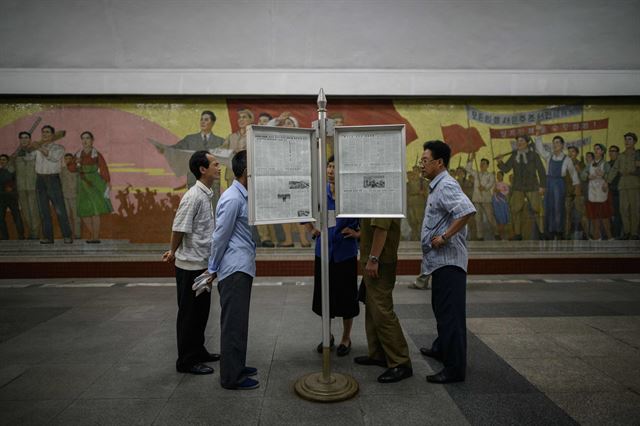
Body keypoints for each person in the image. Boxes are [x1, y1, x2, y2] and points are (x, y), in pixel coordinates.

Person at [419, 140, 476, 384]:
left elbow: (466, 211)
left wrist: (445, 236)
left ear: (439, 162)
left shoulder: (447, 185)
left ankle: (454, 369)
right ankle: (442, 348)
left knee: (451, 315)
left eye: (424, 161)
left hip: (450, 262)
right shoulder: (437, 186)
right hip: (440, 261)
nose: (421, 165)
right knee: (442, 310)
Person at [162, 150, 221, 375]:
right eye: (215, 164)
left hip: (203, 265)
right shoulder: (193, 196)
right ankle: (186, 361)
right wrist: (172, 251)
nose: (219, 166)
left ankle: (199, 351)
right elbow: (179, 227)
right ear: (202, 169)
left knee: (201, 313)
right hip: (190, 267)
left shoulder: (206, 194)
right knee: (189, 314)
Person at [208, 150, 259, 390]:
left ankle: (237, 365)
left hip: (242, 267)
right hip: (234, 271)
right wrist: (212, 268)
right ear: (246, 170)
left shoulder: (243, 196)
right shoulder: (232, 199)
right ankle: (231, 377)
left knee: (239, 323)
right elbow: (219, 237)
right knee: (233, 325)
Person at [305, 156, 360, 357]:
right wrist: (312, 230)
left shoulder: (352, 193)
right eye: (328, 166)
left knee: (347, 298)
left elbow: (369, 220)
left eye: (335, 167)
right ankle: (327, 336)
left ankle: (346, 338)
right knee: (324, 298)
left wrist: (358, 234)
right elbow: (304, 213)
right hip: (324, 253)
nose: (330, 170)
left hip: (345, 254)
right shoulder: (321, 192)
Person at [353, 213, 412, 383]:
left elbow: (381, 228)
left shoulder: (382, 194)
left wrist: (373, 259)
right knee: (372, 308)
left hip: (380, 260)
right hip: (373, 258)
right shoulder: (376, 193)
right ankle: (378, 354)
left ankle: (401, 362)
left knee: (382, 310)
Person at [156, 111, 225, 206]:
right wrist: (165, 149)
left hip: (212, 181)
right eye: (201, 119)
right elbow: (176, 149)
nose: (203, 122)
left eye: (206, 119)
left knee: (213, 207)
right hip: (194, 179)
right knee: (194, 206)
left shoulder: (220, 141)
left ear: (212, 122)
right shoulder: (190, 139)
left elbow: (228, 156)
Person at [496, 135, 546, 240]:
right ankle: (518, 235)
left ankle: (542, 233)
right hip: (518, 187)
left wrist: (542, 186)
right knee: (515, 211)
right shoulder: (514, 155)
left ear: (527, 143)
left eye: (522, 141)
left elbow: (541, 170)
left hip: (532, 186)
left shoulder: (534, 155)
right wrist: (500, 161)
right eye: (518, 141)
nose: (519, 143)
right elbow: (506, 169)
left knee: (538, 210)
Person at [534, 134, 580, 239]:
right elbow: (540, 149)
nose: (555, 145)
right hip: (549, 183)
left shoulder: (567, 159)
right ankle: (549, 231)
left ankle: (559, 231)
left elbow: (573, 174)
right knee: (548, 207)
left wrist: (577, 186)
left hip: (559, 185)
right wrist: (538, 136)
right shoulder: (549, 156)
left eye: (558, 142)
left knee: (558, 208)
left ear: (562, 145)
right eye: (554, 143)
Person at [34, 125, 73, 244]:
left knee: (60, 209)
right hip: (40, 179)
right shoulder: (36, 148)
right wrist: (27, 147)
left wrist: (39, 148)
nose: (44, 134)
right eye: (43, 132)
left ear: (53, 134)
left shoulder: (59, 148)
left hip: (53, 180)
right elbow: (27, 157)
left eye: (47, 132)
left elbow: (53, 158)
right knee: (44, 210)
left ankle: (67, 236)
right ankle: (48, 237)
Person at [72, 132, 113, 243]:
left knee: (95, 211)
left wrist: (107, 181)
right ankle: (94, 234)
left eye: (87, 138)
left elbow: (103, 168)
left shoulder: (97, 154)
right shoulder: (78, 154)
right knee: (83, 211)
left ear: (92, 140)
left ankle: (95, 237)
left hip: (95, 182)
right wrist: (75, 163)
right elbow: (71, 168)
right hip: (82, 183)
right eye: (83, 138)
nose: (85, 141)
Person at [609, 132, 640, 239]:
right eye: (626, 139)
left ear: (635, 141)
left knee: (634, 210)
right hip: (622, 185)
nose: (627, 141)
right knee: (623, 209)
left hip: (634, 183)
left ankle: (634, 233)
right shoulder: (621, 156)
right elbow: (614, 169)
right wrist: (607, 182)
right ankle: (627, 232)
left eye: (630, 139)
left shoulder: (637, 154)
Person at [11, 131, 40, 239]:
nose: (24, 140)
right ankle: (32, 231)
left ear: (30, 139)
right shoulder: (16, 154)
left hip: (33, 186)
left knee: (34, 211)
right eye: (22, 138)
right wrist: (12, 158)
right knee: (25, 212)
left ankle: (35, 234)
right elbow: (10, 169)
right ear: (19, 140)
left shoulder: (36, 152)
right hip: (21, 187)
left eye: (26, 137)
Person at [465, 153, 497, 240]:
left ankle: (496, 233)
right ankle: (480, 236)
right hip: (477, 199)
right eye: (481, 163)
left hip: (486, 199)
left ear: (487, 165)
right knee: (478, 218)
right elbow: (468, 169)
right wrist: (471, 159)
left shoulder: (490, 175)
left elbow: (491, 183)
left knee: (490, 217)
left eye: (484, 164)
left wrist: (485, 187)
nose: (481, 165)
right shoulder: (476, 174)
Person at [0, 154, 25, 239]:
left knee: (17, 216)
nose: (2, 161)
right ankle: (5, 237)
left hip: (11, 197)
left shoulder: (13, 171)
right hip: (1, 198)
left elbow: (16, 183)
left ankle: (21, 236)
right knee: (0, 218)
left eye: (4, 160)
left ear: (7, 161)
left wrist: (12, 189)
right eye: (1, 160)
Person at [60, 153, 81, 239]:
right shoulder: (62, 170)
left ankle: (78, 234)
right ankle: (69, 234)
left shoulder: (76, 169)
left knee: (76, 216)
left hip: (75, 196)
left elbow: (79, 182)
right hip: (65, 195)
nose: (68, 160)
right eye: (66, 159)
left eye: (69, 158)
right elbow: (60, 182)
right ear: (64, 160)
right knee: (67, 216)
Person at [607, 145, 622, 238]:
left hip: (618, 191)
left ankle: (617, 234)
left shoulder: (620, 164)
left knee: (617, 214)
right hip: (608, 192)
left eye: (613, 151)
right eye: (610, 151)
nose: (611, 152)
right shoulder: (607, 164)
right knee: (608, 214)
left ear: (618, 153)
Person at [492, 170, 510, 240]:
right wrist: (494, 191)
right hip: (496, 203)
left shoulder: (505, 184)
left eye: (500, 175)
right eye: (497, 175)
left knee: (503, 218)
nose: (498, 176)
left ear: (502, 176)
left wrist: (500, 191)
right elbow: (492, 193)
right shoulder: (495, 184)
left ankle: (503, 235)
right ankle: (499, 234)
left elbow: (506, 192)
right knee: (497, 218)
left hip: (502, 203)